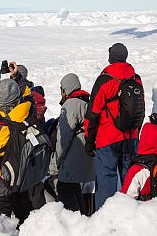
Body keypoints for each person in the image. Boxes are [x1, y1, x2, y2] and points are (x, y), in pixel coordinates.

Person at [0, 79, 47, 225]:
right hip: (25, 178)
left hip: (2, 184)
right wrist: (18, 79)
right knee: (26, 222)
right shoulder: (28, 110)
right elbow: (28, 95)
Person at [84, 43, 145, 210]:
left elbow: (93, 113)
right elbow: (140, 108)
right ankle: (134, 216)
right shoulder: (135, 78)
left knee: (106, 183)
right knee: (130, 182)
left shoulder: (105, 79)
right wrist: (135, 134)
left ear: (111, 57)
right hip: (130, 138)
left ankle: (105, 222)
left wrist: (89, 141)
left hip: (108, 139)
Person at [55, 73, 95, 214]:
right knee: (74, 187)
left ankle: (74, 221)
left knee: (64, 187)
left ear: (66, 88)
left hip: (74, 157)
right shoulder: (87, 101)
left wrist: (57, 159)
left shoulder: (71, 104)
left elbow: (63, 137)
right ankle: (83, 218)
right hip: (88, 155)